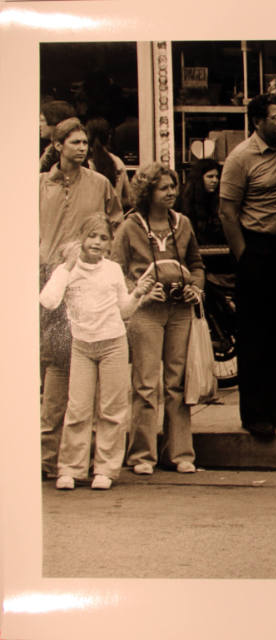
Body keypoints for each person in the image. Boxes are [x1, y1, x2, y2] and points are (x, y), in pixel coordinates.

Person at [39, 216, 154, 490]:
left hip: (113, 343)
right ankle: (71, 467)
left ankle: (105, 468)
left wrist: (138, 293)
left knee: (112, 410)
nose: (97, 243)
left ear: (109, 243)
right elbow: (49, 300)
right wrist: (66, 268)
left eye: (103, 238)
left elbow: (123, 310)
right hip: (81, 346)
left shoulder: (113, 270)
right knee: (78, 408)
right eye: (92, 236)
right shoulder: (68, 270)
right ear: (82, 239)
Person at [39, 117, 123, 479]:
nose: (82, 147)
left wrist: (103, 264)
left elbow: (116, 223)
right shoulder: (39, 184)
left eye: (85, 142)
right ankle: (48, 458)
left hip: (91, 282)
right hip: (51, 279)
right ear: (57, 145)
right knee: (55, 369)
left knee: (93, 372)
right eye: (74, 142)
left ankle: (94, 461)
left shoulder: (101, 183)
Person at [111, 163, 205, 475]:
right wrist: (138, 294)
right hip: (147, 313)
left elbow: (196, 263)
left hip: (179, 310)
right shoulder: (130, 227)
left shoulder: (184, 224)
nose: (171, 193)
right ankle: (142, 455)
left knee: (177, 383)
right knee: (145, 383)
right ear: (147, 192)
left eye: (173, 187)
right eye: (163, 188)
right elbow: (116, 271)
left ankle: (180, 453)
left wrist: (195, 289)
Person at [218, 94, 276, 439]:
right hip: (257, 249)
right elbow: (227, 211)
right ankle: (256, 415)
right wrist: (245, 257)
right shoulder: (240, 158)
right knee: (256, 336)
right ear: (257, 122)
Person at [179, 158, 235, 277]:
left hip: (219, 257)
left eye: (217, 177)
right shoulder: (186, 201)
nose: (215, 180)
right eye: (210, 177)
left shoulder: (219, 200)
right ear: (200, 178)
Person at [86, 117, 133, 210]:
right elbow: (128, 198)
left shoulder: (85, 163)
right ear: (109, 137)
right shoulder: (117, 162)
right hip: (115, 218)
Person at [40, 100, 76, 173]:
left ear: (56, 121)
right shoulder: (50, 150)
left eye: (42, 120)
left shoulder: (61, 153)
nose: (39, 125)